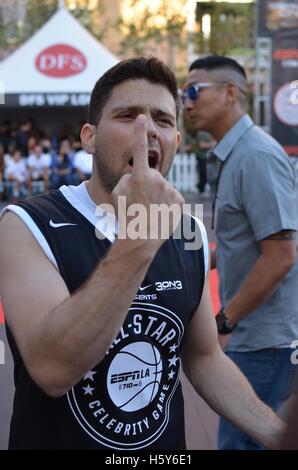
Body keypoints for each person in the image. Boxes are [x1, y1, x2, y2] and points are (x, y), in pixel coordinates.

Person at [0, 57, 285, 450]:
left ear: (176, 143)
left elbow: (204, 358)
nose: (146, 130)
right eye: (127, 115)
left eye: (163, 120)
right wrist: (141, 233)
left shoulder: (188, 233)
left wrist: (277, 433)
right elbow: (53, 367)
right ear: (90, 137)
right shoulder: (26, 224)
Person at [183, 55, 298, 450]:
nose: (187, 102)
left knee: (241, 443)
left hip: (264, 341)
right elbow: (246, 243)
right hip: (256, 336)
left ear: (231, 93)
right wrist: (196, 258)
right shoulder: (238, 154)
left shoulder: (256, 156)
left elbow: (281, 255)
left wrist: (224, 322)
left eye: (194, 91)